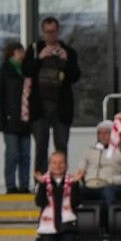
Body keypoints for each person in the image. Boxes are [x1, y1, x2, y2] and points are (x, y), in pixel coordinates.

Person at [25, 16, 81, 165]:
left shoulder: (68, 51)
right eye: (47, 32)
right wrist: (40, 58)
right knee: (41, 145)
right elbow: (26, 71)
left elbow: (75, 77)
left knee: (61, 145)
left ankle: (61, 183)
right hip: (40, 106)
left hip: (61, 106)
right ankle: (41, 184)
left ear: (58, 31)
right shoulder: (35, 49)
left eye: (53, 31)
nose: (50, 35)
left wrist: (66, 61)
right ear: (42, 32)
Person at [32, 150, 83, 241]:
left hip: (67, 229)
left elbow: (75, 203)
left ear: (66, 165)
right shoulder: (43, 181)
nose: (58, 165)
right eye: (54, 163)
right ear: (50, 165)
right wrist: (43, 185)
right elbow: (40, 202)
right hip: (48, 229)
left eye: (61, 162)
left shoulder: (72, 181)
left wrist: (75, 184)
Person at [0, 42, 32, 194]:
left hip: (26, 120)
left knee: (26, 155)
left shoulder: (27, 70)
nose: (23, 54)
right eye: (20, 51)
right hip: (10, 120)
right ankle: (10, 185)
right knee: (12, 153)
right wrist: (0, 120)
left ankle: (24, 185)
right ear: (13, 53)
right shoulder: (4, 71)